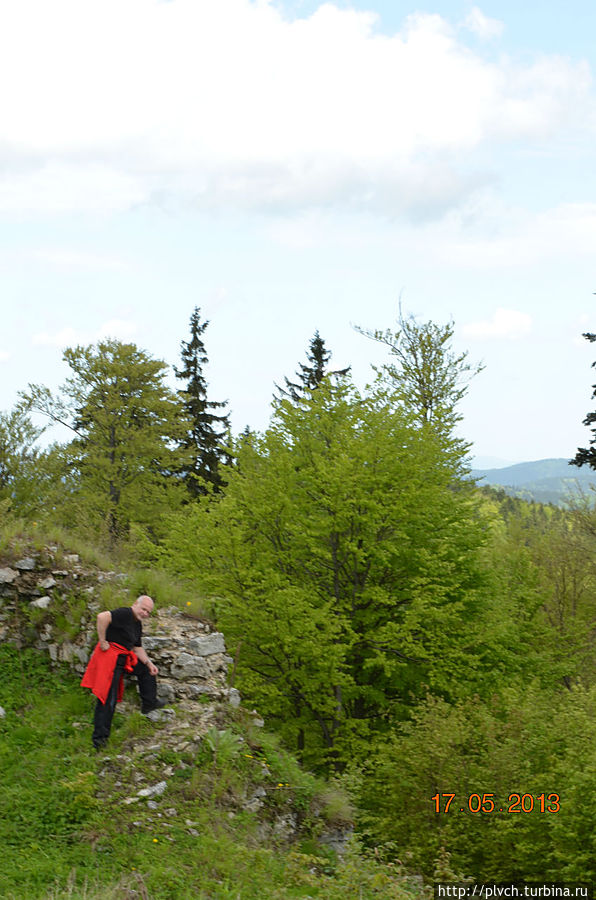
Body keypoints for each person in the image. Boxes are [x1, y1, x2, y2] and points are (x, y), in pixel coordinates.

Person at [81, 594, 167, 750]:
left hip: (123, 659)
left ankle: (149, 703)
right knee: (108, 700)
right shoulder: (125, 613)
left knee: (147, 671)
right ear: (135, 604)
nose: (145, 614)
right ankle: (99, 741)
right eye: (143, 609)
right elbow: (102, 617)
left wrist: (149, 663)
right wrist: (102, 641)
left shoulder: (137, 624)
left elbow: (137, 647)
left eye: (148, 612)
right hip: (110, 659)